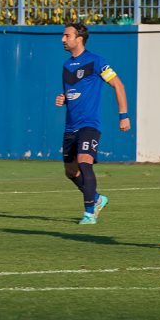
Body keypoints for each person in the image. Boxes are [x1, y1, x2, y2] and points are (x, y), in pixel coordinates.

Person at [55, 22, 131, 225]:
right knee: (70, 171)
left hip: (89, 124)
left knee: (84, 162)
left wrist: (123, 115)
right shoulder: (66, 65)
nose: (63, 39)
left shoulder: (96, 61)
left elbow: (118, 85)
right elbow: (72, 92)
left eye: (67, 36)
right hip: (70, 126)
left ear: (79, 38)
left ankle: (89, 212)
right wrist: (63, 98)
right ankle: (97, 199)